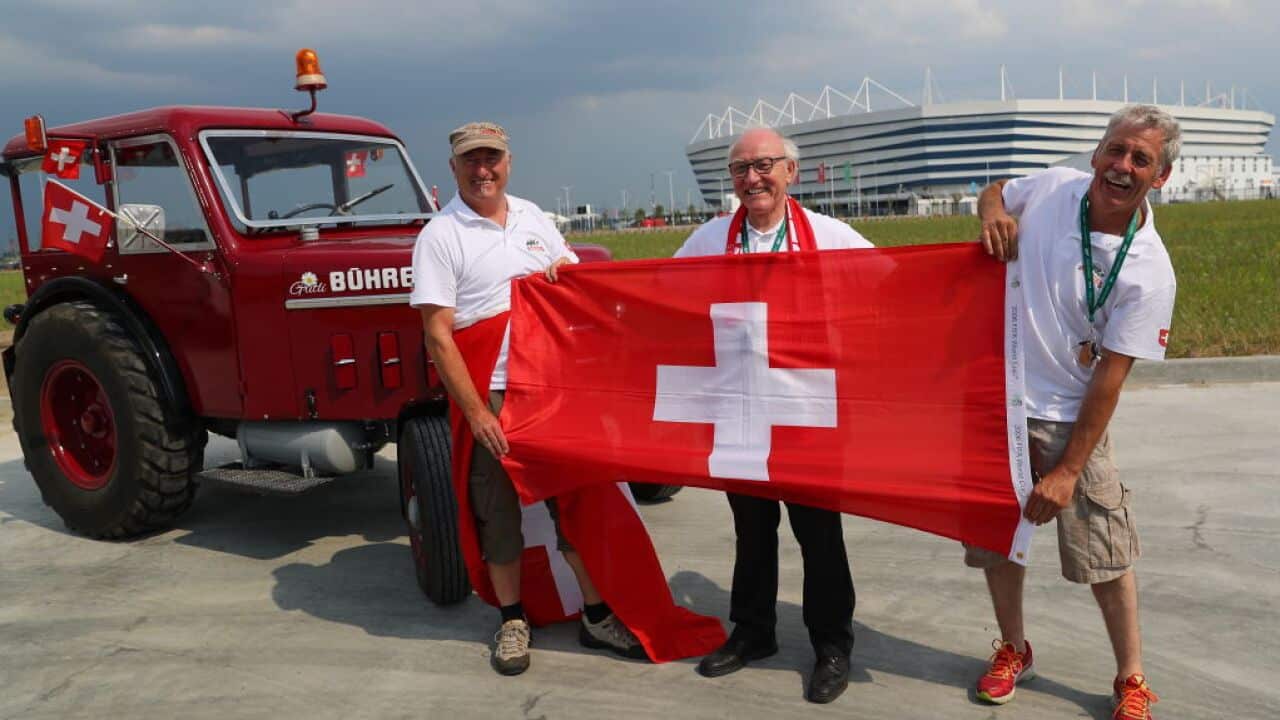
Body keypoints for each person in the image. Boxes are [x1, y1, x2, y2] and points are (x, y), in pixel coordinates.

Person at [410, 122, 644, 675]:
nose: (482, 170)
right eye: (471, 160)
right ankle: (512, 620)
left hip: (549, 389)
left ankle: (595, 615)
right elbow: (438, 335)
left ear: (508, 163)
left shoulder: (534, 217)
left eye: (491, 158)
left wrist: (565, 271)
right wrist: (475, 412)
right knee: (497, 512)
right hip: (490, 393)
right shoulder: (440, 236)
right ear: (454, 168)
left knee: (573, 501)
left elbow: (573, 280)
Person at [970, 104, 1179, 720]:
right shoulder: (1055, 188)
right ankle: (1013, 649)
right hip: (1000, 404)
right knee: (998, 543)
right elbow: (996, 190)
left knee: (1106, 553)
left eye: (1140, 159)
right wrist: (992, 213)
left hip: (1072, 419)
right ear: (1096, 153)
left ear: (1160, 177)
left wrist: (1066, 471)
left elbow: (1109, 381)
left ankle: (1131, 678)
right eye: (1115, 150)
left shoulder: (1150, 271)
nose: (1122, 166)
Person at [675, 127, 870, 704]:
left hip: (808, 409)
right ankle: (753, 631)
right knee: (751, 530)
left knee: (820, 534)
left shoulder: (831, 235)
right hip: (743, 407)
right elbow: (659, 290)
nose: (752, 178)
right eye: (741, 169)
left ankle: (832, 644)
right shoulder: (710, 238)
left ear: (790, 171)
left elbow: (891, 285)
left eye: (764, 165)